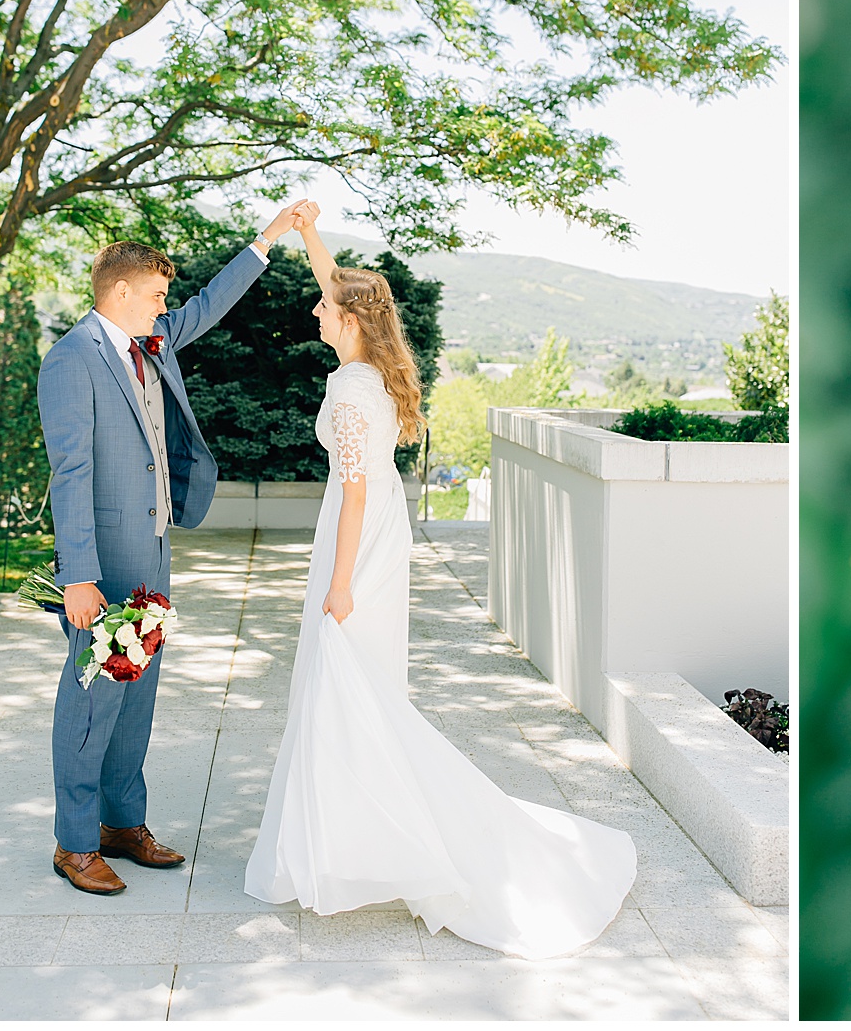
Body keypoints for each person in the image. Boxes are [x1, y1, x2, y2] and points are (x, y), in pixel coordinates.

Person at [244, 202, 636, 958]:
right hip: (378, 524)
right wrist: (307, 235)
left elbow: (353, 491)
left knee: (346, 681)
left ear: (351, 322)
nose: (315, 308)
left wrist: (341, 581)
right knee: (356, 686)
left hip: (360, 538)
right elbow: (342, 285)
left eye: (325, 306)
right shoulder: (367, 368)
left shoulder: (349, 390)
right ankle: (344, 840)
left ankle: (378, 840)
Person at [38, 203, 312, 895]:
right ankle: (74, 842)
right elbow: (69, 474)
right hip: (102, 563)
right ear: (121, 292)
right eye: (156, 295)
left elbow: (210, 304)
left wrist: (270, 237)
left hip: (155, 548)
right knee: (93, 694)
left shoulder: (149, 339)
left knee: (138, 694)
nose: (167, 307)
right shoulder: (72, 359)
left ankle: (122, 824)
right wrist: (78, 576)